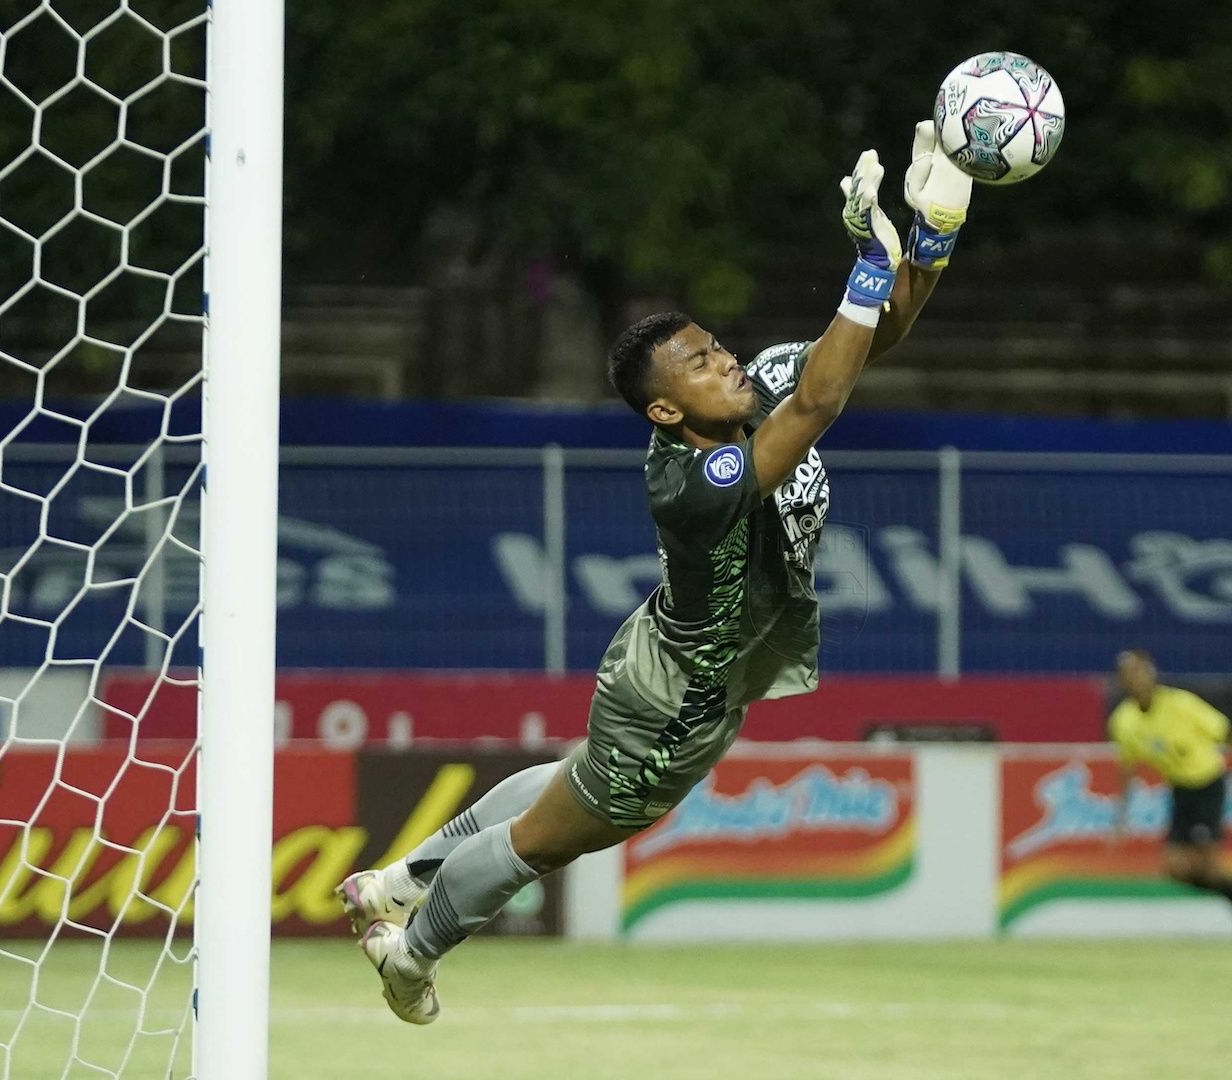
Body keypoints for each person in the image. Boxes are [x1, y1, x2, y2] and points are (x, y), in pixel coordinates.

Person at [336, 126, 975, 1023]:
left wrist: (934, 231)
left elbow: (876, 335)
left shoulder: (759, 387)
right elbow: (823, 402)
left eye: (717, 346)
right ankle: (410, 957)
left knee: (574, 782)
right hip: (681, 702)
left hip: (667, 660)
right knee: (547, 841)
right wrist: (869, 264)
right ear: (669, 410)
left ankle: (397, 882)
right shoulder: (692, 483)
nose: (726, 361)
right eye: (701, 364)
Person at [1106, 649, 1232, 940]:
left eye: (1139, 672)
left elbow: (1228, 733)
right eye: (1128, 675)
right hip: (1180, 790)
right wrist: (1121, 815)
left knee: (1208, 867)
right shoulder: (1123, 721)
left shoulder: (1181, 704)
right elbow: (1127, 769)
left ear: (1152, 674)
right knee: (1175, 869)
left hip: (1208, 784)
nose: (1135, 679)